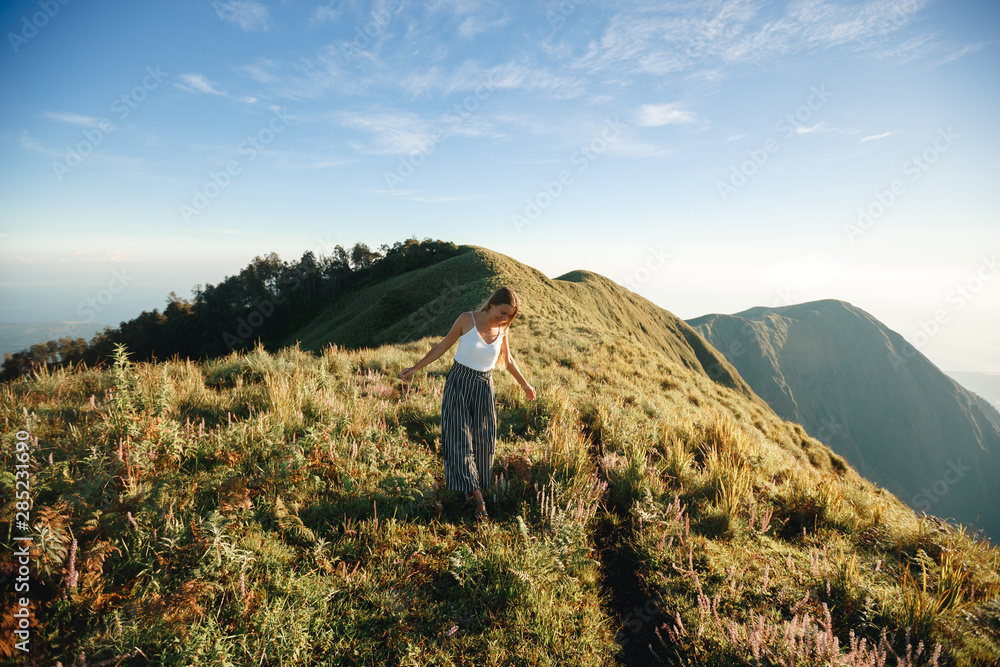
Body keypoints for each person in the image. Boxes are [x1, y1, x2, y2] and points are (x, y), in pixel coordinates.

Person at [401, 287, 535, 522]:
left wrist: (525, 385)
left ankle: (469, 485)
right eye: (502, 312)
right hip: (459, 382)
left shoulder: (503, 329)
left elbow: (509, 359)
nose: (504, 318)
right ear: (492, 304)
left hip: (485, 386)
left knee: (484, 440)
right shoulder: (466, 319)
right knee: (459, 438)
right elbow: (442, 347)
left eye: (509, 316)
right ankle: (478, 498)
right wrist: (415, 368)